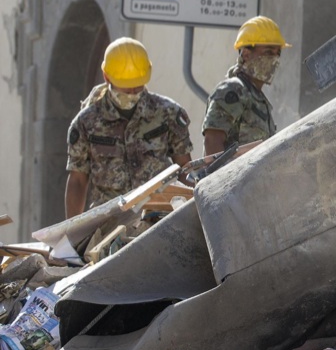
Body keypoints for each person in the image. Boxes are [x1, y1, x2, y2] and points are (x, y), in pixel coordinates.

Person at [65, 38, 192, 218]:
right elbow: (78, 180)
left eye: (137, 86)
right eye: (126, 88)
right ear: (107, 77)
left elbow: (184, 169)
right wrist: (73, 229)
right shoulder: (87, 123)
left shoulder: (168, 114)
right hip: (109, 221)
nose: (132, 92)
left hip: (160, 218)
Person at [202, 16, 289, 155]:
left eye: (278, 53)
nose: (274, 59)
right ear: (246, 54)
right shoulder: (233, 90)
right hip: (234, 170)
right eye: (268, 52)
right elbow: (212, 142)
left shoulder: (259, 99)